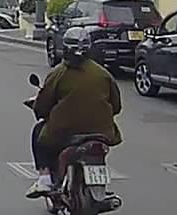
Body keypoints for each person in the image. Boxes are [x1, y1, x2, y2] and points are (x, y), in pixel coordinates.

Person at [26, 28, 123, 198]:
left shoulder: (58, 73)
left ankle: (44, 179)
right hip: (102, 132)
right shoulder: (103, 74)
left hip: (65, 132)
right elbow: (116, 106)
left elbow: (43, 104)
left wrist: (40, 111)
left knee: (39, 133)